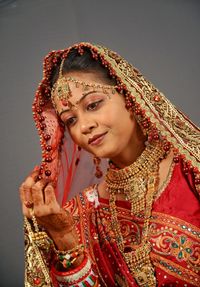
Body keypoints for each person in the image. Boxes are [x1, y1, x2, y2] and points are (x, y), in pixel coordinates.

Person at [19, 42, 200, 287]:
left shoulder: (192, 168)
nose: (84, 126)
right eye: (70, 120)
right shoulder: (77, 216)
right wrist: (64, 238)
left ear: (130, 95)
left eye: (93, 105)